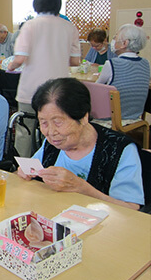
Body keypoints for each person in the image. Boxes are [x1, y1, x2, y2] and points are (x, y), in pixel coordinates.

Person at [17, 78, 144, 210]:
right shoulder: (53, 144)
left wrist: (81, 188)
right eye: (43, 123)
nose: (50, 132)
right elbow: (31, 177)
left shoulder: (119, 149)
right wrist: (24, 173)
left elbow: (130, 210)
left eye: (58, 122)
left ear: (84, 117)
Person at [8, 0, 81, 157]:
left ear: (37, 4)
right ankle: (53, 164)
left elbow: (19, 59)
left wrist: (9, 67)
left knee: (24, 132)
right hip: (59, 91)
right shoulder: (69, 27)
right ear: (58, 4)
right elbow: (75, 61)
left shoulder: (30, 26)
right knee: (56, 132)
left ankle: (24, 170)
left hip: (31, 89)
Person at [96, 24, 150, 120]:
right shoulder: (145, 63)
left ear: (124, 43)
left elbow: (95, 89)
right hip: (135, 117)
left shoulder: (112, 63)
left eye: (115, 38)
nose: (113, 41)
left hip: (112, 119)